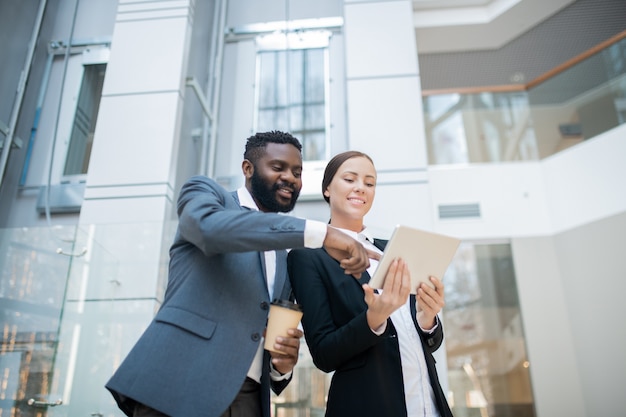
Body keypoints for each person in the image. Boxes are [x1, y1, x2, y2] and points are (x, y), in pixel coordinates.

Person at [105, 132, 376, 417]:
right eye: (278, 167)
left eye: (297, 172)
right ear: (248, 168)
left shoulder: (287, 256)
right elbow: (209, 229)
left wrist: (280, 367)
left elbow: (270, 333)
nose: (290, 178)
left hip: (247, 398)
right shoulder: (207, 195)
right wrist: (323, 233)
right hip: (181, 379)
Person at [287, 151, 454, 417]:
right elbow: (323, 354)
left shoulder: (395, 249)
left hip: (429, 405)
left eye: (369, 183)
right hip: (366, 404)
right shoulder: (309, 257)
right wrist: (373, 319)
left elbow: (425, 341)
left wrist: (427, 318)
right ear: (327, 188)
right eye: (350, 179)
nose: (360, 188)